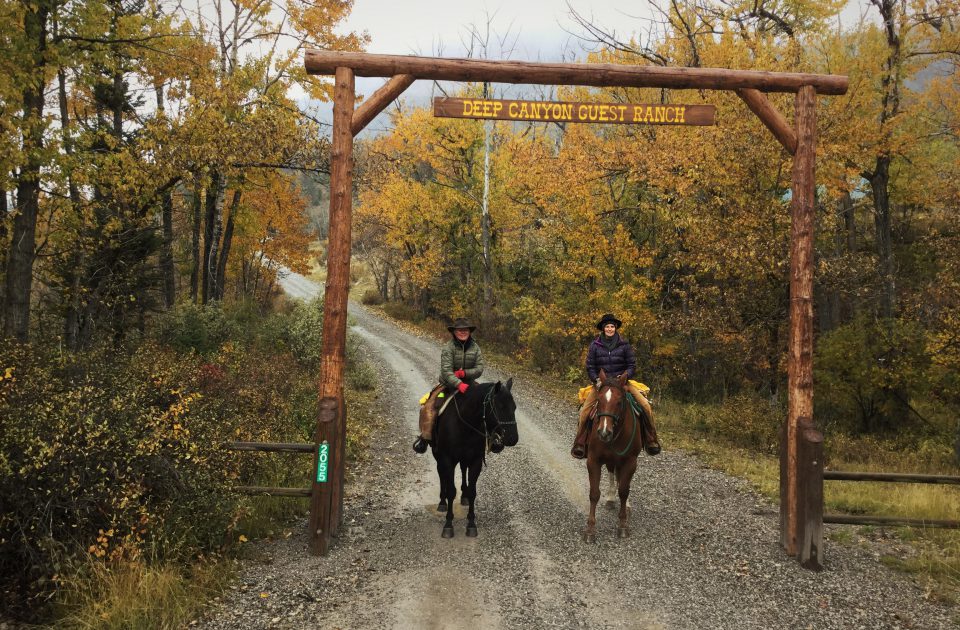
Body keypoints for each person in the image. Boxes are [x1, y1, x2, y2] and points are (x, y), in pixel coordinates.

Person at [571, 313, 661, 459]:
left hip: (622, 383)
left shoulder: (624, 345)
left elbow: (632, 365)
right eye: (607, 326)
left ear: (616, 328)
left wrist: (626, 375)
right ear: (603, 328)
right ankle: (580, 443)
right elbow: (590, 366)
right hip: (601, 384)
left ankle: (651, 439)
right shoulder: (595, 345)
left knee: (645, 406)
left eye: (612, 326)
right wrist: (596, 380)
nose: (610, 329)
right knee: (584, 412)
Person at [413, 317, 487, 454]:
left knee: (486, 406)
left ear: (469, 332)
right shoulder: (448, 348)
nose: (462, 332)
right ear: (454, 332)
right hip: (448, 385)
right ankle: (424, 438)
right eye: (459, 330)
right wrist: (458, 384)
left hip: (470, 383)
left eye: (465, 330)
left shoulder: (476, 348)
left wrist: (464, 373)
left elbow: (480, 368)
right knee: (429, 407)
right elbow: (446, 372)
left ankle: (492, 439)